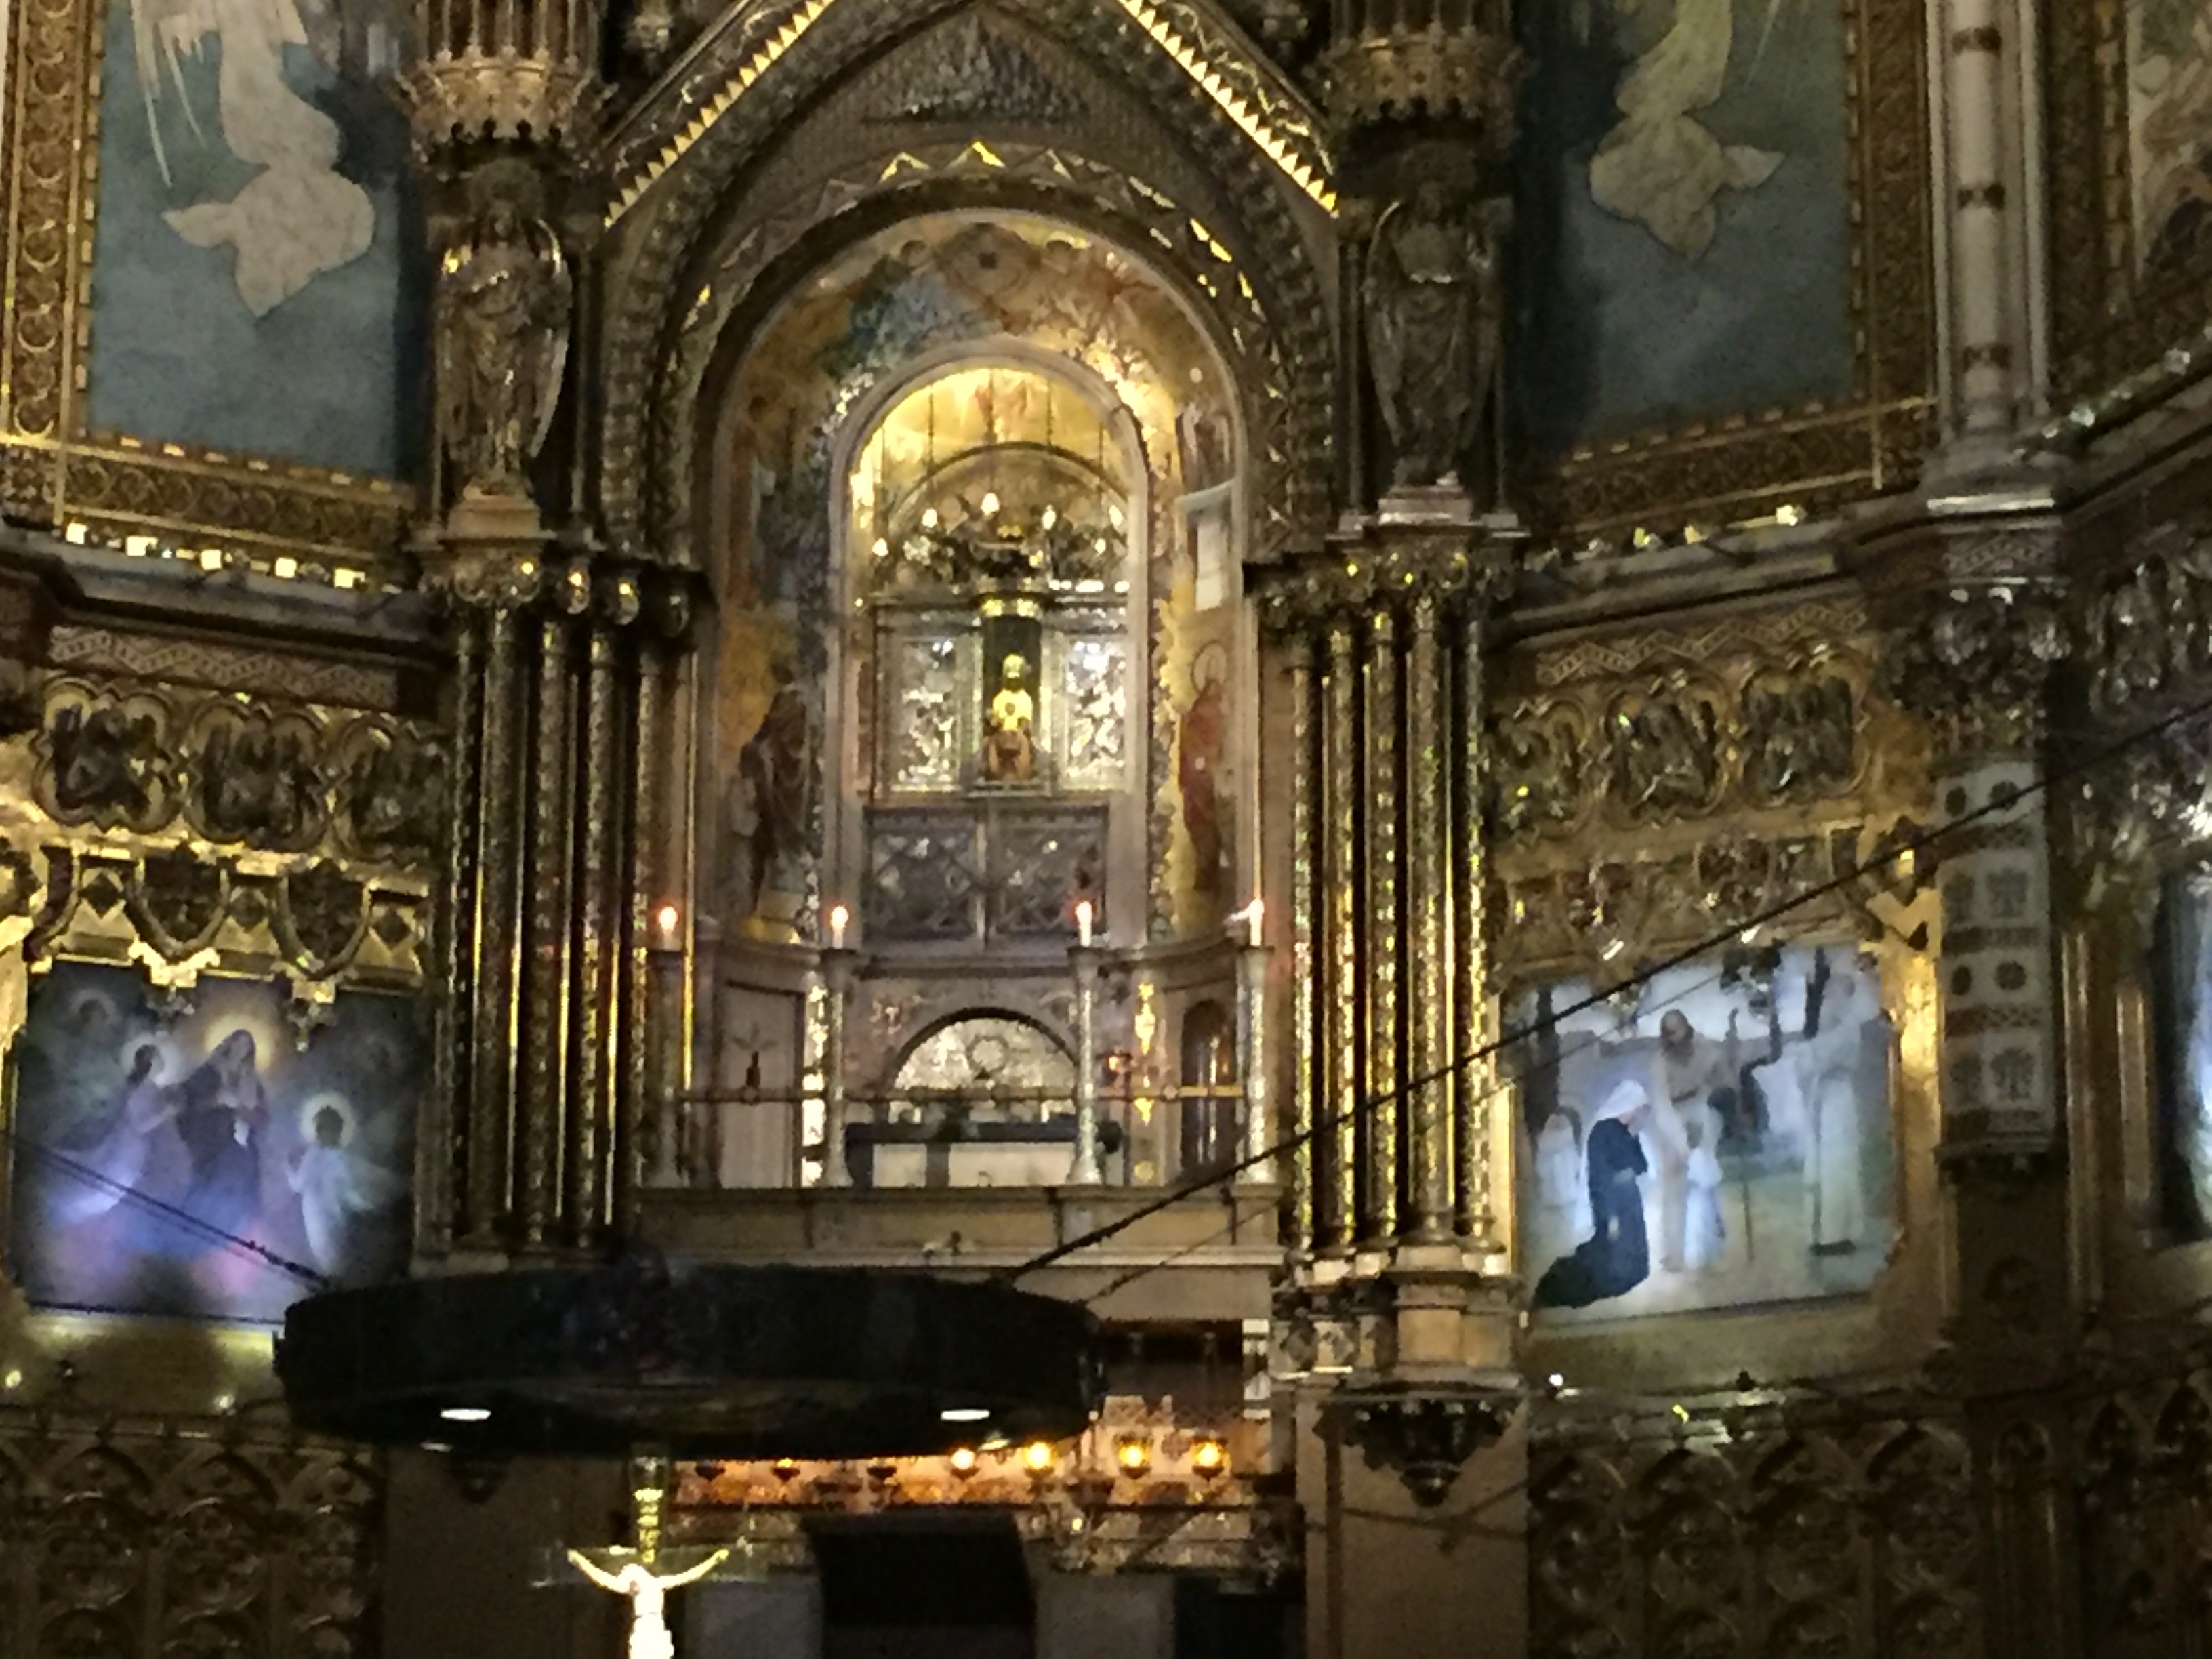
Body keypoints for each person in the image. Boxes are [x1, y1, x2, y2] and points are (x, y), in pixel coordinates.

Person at [1534, 1080, 1652, 1309]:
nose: (1640, 1114)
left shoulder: (1627, 1133)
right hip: (1612, 1203)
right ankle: (1555, 1287)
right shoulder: (1603, 1130)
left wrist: (1632, 1156)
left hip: (1630, 1204)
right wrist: (1609, 1215)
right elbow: (1600, 1175)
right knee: (1608, 1259)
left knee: (1635, 1267)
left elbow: (1641, 1166)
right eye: (1639, 1109)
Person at [1645, 1009, 1738, 1273]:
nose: (1676, 1038)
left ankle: (1711, 1248)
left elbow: (1724, 1078)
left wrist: (1728, 1093)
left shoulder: (1705, 1048)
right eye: (1670, 1033)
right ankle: (1673, 1253)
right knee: (1674, 1187)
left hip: (1701, 1111)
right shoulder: (1659, 1063)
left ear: (1688, 1028)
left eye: (1679, 1030)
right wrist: (1681, 1144)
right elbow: (1662, 1106)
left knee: (1706, 1179)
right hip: (1672, 1119)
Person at [567, 1551, 730, 1659]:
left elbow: (689, 1576)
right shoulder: (638, 1587)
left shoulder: (657, 1583)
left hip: (655, 1628)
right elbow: (602, 1579)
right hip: (644, 1628)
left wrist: (713, 1561)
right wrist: (580, 1561)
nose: (628, 1582)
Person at [981, 653, 1038, 782]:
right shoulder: (1000, 698)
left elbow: (1025, 724)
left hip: (1018, 735)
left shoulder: (1026, 699)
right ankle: (993, 772)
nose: (1013, 682)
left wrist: (1022, 728)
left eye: (1016, 678)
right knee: (990, 745)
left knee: (1024, 743)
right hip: (1001, 735)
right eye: (1011, 678)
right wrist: (994, 721)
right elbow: (996, 720)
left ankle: (1023, 774)